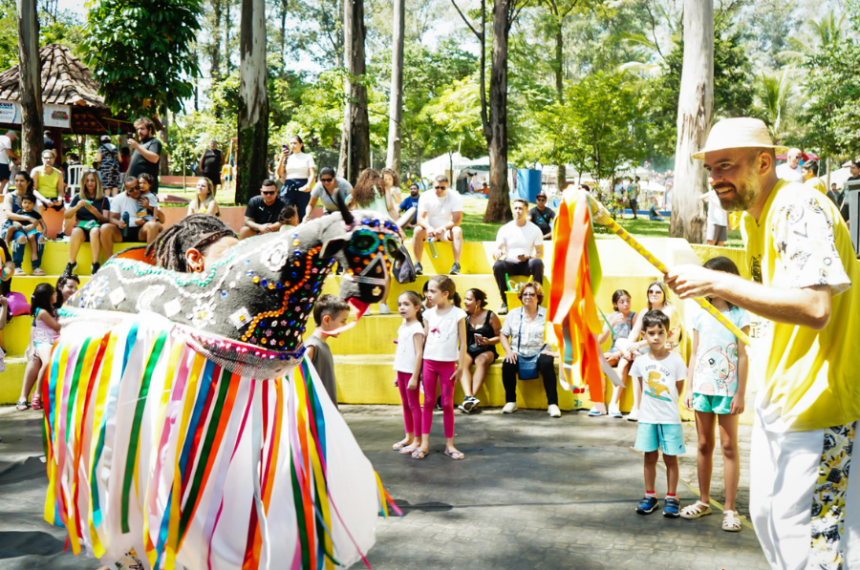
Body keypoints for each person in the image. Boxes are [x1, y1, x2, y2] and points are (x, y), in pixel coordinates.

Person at [665, 117, 860, 568]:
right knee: (771, 522)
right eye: (711, 169)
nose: (716, 179)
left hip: (821, 405)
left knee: (813, 545)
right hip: (782, 401)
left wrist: (717, 281)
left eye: (726, 166)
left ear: (765, 162)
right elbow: (777, 309)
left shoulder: (797, 205)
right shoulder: (756, 220)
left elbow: (814, 308)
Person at [679, 256, 749, 532]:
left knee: (729, 447)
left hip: (728, 390)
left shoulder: (739, 313)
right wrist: (689, 386)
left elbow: (743, 356)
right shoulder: (698, 311)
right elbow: (694, 352)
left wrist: (740, 392)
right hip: (702, 390)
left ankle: (730, 508)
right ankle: (704, 501)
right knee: (704, 445)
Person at [629, 310, 688, 517]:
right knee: (649, 457)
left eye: (660, 333)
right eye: (651, 333)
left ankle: (672, 497)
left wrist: (668, 403)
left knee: (671, 458)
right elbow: (639, 385)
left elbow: (679, 388)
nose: (656, 337)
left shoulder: (676, 361)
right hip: (647, 418)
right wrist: (640, 409)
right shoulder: (640, 362)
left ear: (668, 334)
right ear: (643, 335)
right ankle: (650, 495)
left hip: (670, 418)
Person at [414, 275, 467, 460]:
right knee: (428, 402)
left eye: (432, 291)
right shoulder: (427, 314)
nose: (428, 294)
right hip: (429, 362)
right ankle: (424, 443)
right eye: (427, 291)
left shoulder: (458, 314)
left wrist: (460, 367)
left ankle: (449, 445)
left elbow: (463, 342)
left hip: (448, 365)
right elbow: (425, 338)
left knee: (447, 404)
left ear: (445, 294)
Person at [622, 281, 682, 422]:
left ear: (664, 294)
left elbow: (661, 337)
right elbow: (634, 333)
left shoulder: (669, 311)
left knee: (638, 361)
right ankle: (637, 408)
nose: (653, 294)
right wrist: (629, 348)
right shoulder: (644, 312)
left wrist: (637, 346)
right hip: (647, 349)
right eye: (651, 292)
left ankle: (640, 408)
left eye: (657, 292)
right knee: (621, 342)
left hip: (666, 348)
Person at [499, 282, 561, 418]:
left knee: (546, 362)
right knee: (507, 363)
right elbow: (503, 334)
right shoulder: (513, 314)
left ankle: (552, 404)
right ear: (521, 297)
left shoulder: (548, 315)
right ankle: (511, 401)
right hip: (518, 352)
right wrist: (509, 351)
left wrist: (558, 353)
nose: (528, 297)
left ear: (538, 297)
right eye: (525, 294)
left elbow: (563, 334)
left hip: (540, 352)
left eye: (531, 294)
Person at [493, 199, 544, 315]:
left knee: (537, 263)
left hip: (527, 263)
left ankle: (537, 302)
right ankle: (505, 302)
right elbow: (497, 249)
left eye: (520, 208)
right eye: (515, 208)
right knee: (498, 265)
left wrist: (529, 256)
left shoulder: (535, 229)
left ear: (527, 211)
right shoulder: (505, 229)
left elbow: (540, 253)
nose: (517, 211)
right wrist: (497, 252)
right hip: (510, 262)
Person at [15, 283, 60, 411]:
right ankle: (34, 394)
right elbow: (56, 327)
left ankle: (39, 395)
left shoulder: (47, 309)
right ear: (49, 297)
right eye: (54, 293)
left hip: (51, 341)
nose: (56, 294)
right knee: (42, 361)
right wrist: (32, 346)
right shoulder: (43, 312)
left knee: (45, 359)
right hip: (44, 341)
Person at [391, 291, 426, 455]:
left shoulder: (417, 327)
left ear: (417, 307)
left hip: (411, 372)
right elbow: (400, 350)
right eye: (399, 304)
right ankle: (408, 437)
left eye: (406, 304)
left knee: (413, 406)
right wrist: (396, 373)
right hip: (401, 370)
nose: (402, 308)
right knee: (405, 405)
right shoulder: (402, 325)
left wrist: (415, 375)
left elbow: (419, 353)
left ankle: (418, 440)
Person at [458, 288, 500, 414]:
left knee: (481, 360)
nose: (465, 302)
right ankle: (469, 397)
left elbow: (500, 336)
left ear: (478, 302)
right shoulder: (463, 317)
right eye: (465, 298)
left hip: (487, 349)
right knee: (463, 360)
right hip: (468, 349)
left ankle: (472, 398)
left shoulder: (490, 315)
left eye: (469, 299)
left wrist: (489, 341)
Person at [413, 175, 464, 276]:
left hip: (446, 232)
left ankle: (456, 264)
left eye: (442, 188)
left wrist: (443, 228)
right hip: (430, 232)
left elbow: (457, 220)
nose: (439, 190)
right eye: (437, 187)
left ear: (448, 186)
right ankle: (417, 264)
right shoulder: (425, 196)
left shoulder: (456, 196)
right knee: (417, 230)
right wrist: (428, 227)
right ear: (433, 185)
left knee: (457, 230)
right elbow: (420, 219)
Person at [64, 171, 112, 276]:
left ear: (97, 182)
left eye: (92, 180)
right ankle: (71, 263)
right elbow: (66, 215)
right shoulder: (78, 197)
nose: (90, 183)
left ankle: (95, 264)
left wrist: (95, 212)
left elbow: (106, 220)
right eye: (87, 181)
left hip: (96, 229)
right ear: (84, 183)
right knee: (75, 231)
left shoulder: (104, 199)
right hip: (82, 228)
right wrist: (77, 207)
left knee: (95, 231)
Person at [305, 294, 349, 408]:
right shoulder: (312, 347)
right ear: (327, 320)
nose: (345, 325)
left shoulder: (322, 346)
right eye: (343, 321)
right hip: (318, 416)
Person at [599, 290, 637, 419]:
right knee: (600, 362)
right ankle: (599, 404)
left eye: (628, 301)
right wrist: (611, 324)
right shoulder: (611, 317)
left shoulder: (634, 317)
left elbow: (634, 341)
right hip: (613, 350)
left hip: (627, 351)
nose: (626, 304)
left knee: (623, 364)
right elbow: (600, 340)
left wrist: (617, 354)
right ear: (615, 304)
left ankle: (613, 404)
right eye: (622, 302)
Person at [103, 176, 161, 251]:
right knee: (105, 228)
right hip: (123, 231)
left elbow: (162, 219)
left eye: (136, 187)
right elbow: (112, 218)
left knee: (153, 225)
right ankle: (109, 260)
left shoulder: (148, 196)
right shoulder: (119, 198)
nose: (135, 191)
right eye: (131, 189)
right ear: (127, 190)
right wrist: (118, 223)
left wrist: (150, 207)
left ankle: (152, 259)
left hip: (141, 231)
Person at [276, 135, 316, 217]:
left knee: (304, 213)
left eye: (295, 143)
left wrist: (308, 185)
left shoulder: (308, 157)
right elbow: (279, 172)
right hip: (288, 185)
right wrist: (282, 157)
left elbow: (312, 174)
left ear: (301, 144)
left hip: (303, 185)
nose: (292, 145)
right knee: (285, 213)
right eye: (291, 143)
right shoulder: (287, 157)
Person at [10, 194, 47, 275]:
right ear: (22, 203)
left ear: (34, 205)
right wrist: (18, 224)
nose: (26, 205)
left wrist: (44, 230)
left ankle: (35, 267)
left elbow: (42, 222)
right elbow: (14, 220)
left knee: (40, 239)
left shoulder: (35, 213)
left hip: (32, 231)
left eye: (29, 203)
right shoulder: (19, 212)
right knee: (21, 238)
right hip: (21, 230)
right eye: (25, 203)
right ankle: (17, 266)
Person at [3, 171, 42, 245]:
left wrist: (33, 225)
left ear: (28, 182)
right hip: (11, 227)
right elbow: (8, 215)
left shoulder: (32, 197)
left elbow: (36, 217)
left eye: (22, 181)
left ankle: (36, 257)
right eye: (16, 181)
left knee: (40, 239)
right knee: (21, 238)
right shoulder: (10, 196)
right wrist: (28, 218)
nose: (19, 183)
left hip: (28, 227)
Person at [126, 118, 162, 193]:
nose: (139, 131)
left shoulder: (154, 142)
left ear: (150, 129)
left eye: (142, 129)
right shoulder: (141, 144)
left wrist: (137, 146)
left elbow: (154, 158)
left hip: (146, 189)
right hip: (135, 187)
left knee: (145, 205)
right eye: (138, 129)